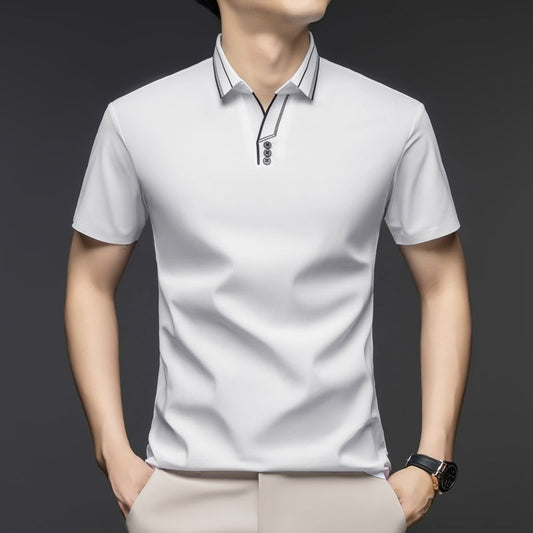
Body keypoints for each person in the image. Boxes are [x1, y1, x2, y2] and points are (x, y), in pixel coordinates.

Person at [64, 1, 472, 531]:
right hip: (185, 490)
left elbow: (444, 285)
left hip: (346, 491)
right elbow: (90, 283)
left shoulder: (397, 118)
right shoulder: (136, 119)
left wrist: (432, 461)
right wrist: (112, 450)